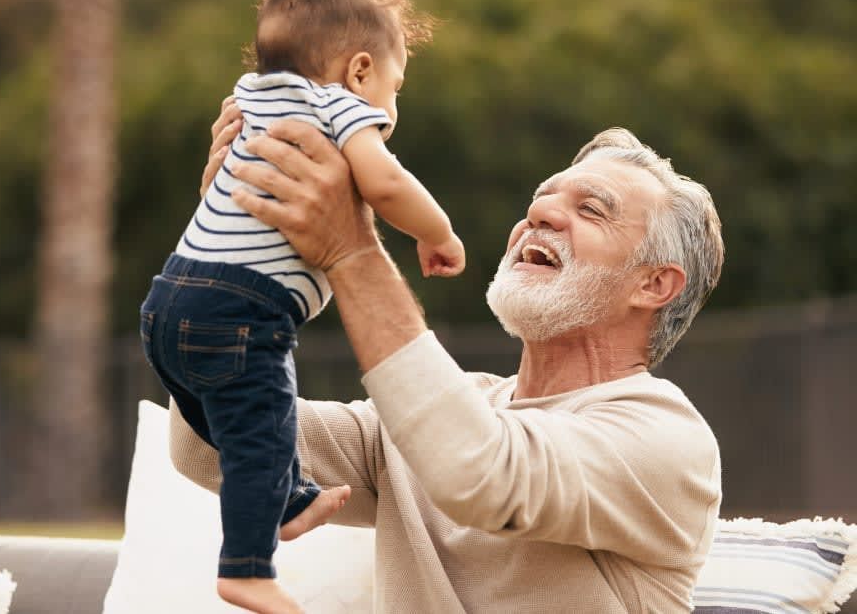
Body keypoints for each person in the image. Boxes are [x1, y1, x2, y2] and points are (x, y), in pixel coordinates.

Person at [171, 115, 725, 613]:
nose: (539, 213)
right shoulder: (438, 416)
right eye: (542, 197)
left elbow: (481, 473)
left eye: (591, 209)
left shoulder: (667, 438)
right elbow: (209, 448)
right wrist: (225, 249)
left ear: (654, 284)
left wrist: (351, 249)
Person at [138, 0, 464, 614]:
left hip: (167, 301)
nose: (390, 108)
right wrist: (437, 233)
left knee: (245, 425)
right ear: (361, 70)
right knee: (261, 424)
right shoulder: (341, 108)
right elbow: (386, 181)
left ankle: (288, 495)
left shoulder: (251, 97)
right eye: (394, 90)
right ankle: (248, 568)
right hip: (241, 310)